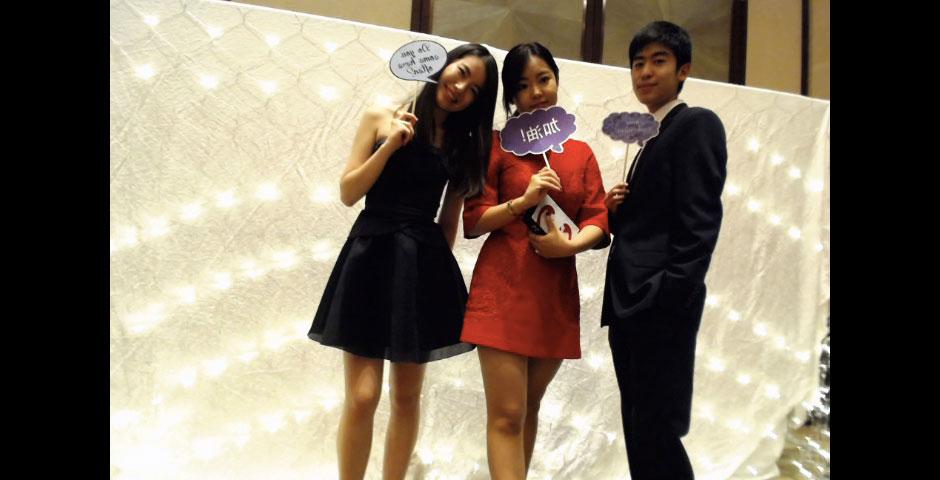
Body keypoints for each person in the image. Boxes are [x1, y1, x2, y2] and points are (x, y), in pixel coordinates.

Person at [308, 43, 499, 480]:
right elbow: (349, 192)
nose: (461, 88)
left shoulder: (463, 145)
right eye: (461, 72)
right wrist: (390, 146)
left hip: (419, 266)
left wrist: (434, 285)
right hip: (369, 257)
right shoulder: (381, 116)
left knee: (407, 397)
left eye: (474, 89)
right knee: (362, 396)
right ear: (443, 64)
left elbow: (448, 222)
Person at [460, 42, 609, 479]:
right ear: (511, 96)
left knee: (528, 407)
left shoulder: (580, 153)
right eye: (523, 86)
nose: (537, 92)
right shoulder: (495, 146)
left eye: (544, 79)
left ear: (557, 80)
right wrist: (523, 201)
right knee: (507, 413)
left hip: (554, 295)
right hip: (502, 289)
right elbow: (473, 221)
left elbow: (598, 218)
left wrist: (571, 247)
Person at [601, 21, 728, 480]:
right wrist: (617, 210)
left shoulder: (696, 124)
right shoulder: (652, 135)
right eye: (638, 63)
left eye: (659, 61)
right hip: (628, 304)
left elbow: (700, 222)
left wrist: (668, 294)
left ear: (683, 70)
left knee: (657, 430)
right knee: (638, 427)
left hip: (657, 305)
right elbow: (651, 222)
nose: (645, 72)